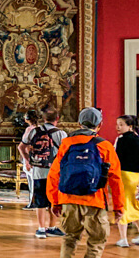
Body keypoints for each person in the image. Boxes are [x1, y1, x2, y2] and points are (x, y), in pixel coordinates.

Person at [47, 107, 125, 258]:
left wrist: (54, 202)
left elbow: (54, 174)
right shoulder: (105, 146)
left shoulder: (67, 144)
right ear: (100, 124)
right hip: (94, 200)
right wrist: (118, 206)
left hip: (68, 198)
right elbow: (115, 179)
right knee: (96, 241)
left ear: (79, 123)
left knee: (69, 238)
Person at [19, 107, 67, 238]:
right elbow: (65, 153)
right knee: (54, 200)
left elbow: (21, 146)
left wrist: (28, 159)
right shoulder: (61, 133)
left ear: (43, 118)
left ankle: (41, 229)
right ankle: (52, 227)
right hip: (55, 172)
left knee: (40, 200)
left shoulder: (34, 131)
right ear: (57, 118)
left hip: (38, 170)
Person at [115, 114, 139, 247]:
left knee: (123, 205)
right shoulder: (137, 139)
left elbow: (117, 159)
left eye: (121, 124)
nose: (118, 127)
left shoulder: (122, 140)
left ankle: (123, 238)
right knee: (136, 206)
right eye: (117, 124)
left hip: (125, 175)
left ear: (129, 126)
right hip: (137, 177)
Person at [19, 109, 40, 209]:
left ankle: (32, 202)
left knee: (32, 182)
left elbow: (23, 146)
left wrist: (27, 160)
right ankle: (34, 201)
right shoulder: (40, 128)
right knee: (35, 181)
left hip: (30, 157)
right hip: (38, 158)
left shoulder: (30, 129)